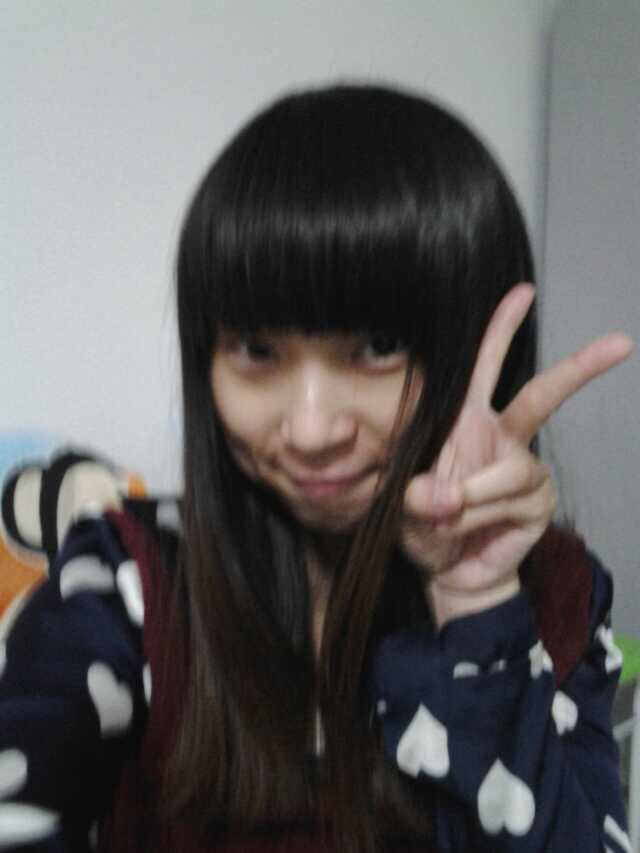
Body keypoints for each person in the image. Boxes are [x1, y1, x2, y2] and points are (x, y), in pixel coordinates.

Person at [0, 83, 633, 853]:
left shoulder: (559, 593)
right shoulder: (128, 580)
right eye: (256, 350)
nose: (309, 429)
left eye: (376, 348)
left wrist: (478, 607)